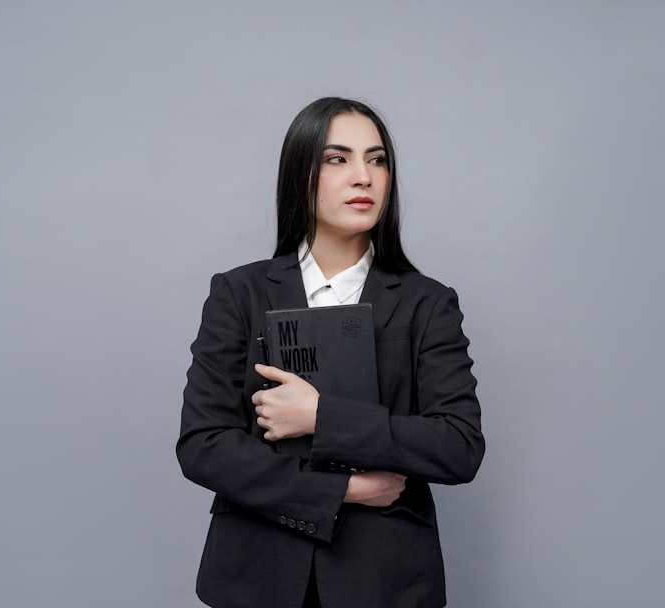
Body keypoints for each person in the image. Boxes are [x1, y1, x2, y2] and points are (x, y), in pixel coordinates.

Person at [177, 97, 485, 608]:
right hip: (257, 576)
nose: (364, 177)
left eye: (377, 160)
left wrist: (321, 415)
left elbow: (458, 446)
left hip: (385, 580)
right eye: (337, 158)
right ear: (301, 173)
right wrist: (343, 491)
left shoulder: (427, 303)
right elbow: (203, 445)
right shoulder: (238, 293)